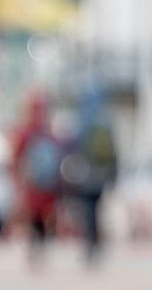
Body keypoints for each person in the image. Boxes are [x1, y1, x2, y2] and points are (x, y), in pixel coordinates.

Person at [62, 86, 118, 263]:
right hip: (101, 176)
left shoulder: (81, 120)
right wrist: (114, 175)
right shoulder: (106, 121)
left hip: (85, 176)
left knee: (88, 212)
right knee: (97, 210)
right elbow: (114, 153)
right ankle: (95, 243)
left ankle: (90, 245)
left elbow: (72, 150)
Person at [10, 90, 64, 263]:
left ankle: (35, 246)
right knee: (44, 216)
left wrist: (17, 178)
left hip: (32, 183)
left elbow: (17, 156)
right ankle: (40, 244)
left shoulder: (27, 131)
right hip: (49, 184)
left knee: (33, 215)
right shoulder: (49, 130)